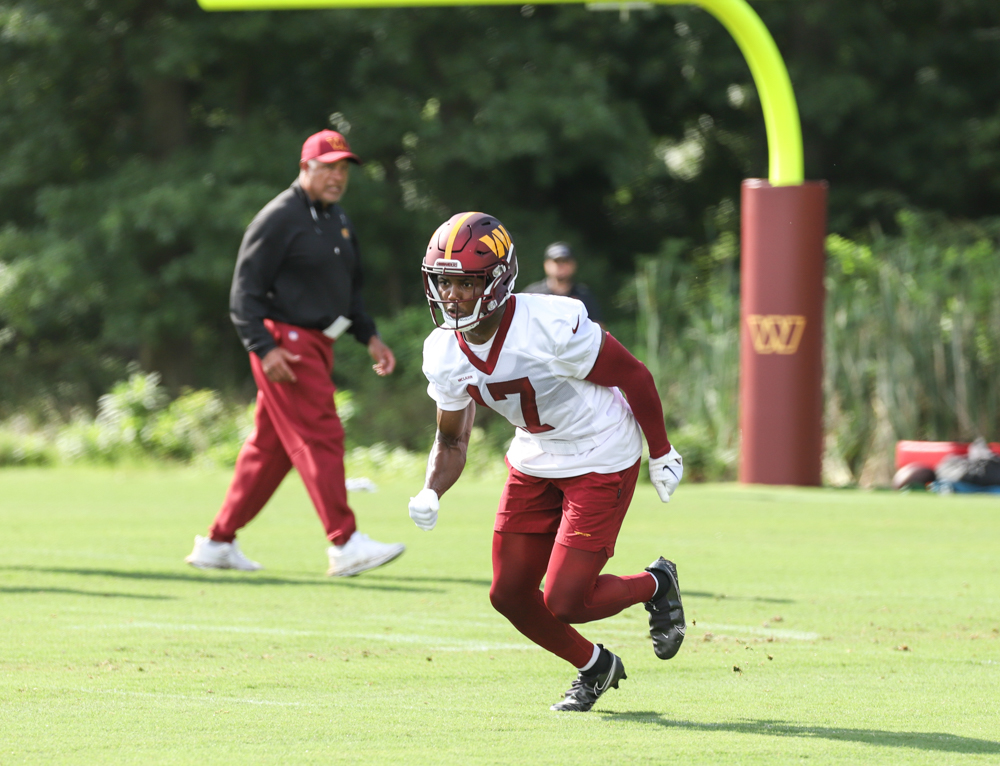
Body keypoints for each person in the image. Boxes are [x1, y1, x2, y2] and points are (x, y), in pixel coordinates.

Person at [407, 212, 685, 712]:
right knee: (508, 594)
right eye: (443, 282)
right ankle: (595, 666)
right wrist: (432, 490)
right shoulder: (442, 352)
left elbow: (634, 375)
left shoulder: (551, 324)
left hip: (601, 450)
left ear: (496, 281)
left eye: (466, 283)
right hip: (536, 455)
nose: (452, 296)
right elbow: (450, 441)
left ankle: (656, 582)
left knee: (565, 600)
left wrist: (661, 451)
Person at [185, 129, 405, 577]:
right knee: (322, 434)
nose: (337, 176)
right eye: (328, 167)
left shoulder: (336, 218)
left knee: (269, 450)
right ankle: (344, 543)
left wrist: (369, 336)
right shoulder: (279, 217)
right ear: (305, 168)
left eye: (343, 169)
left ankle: (217, 541)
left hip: (317, 343)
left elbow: (348, 289)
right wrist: (263, 348)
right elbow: (243, 294)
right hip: (285, 346)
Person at [521, 241, 602, 323]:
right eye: (556, 262)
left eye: (565, 261)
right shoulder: (532, 295)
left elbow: (597, 328)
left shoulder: (584, 295)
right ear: (546, 264)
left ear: (573, 265)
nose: (561, 266)